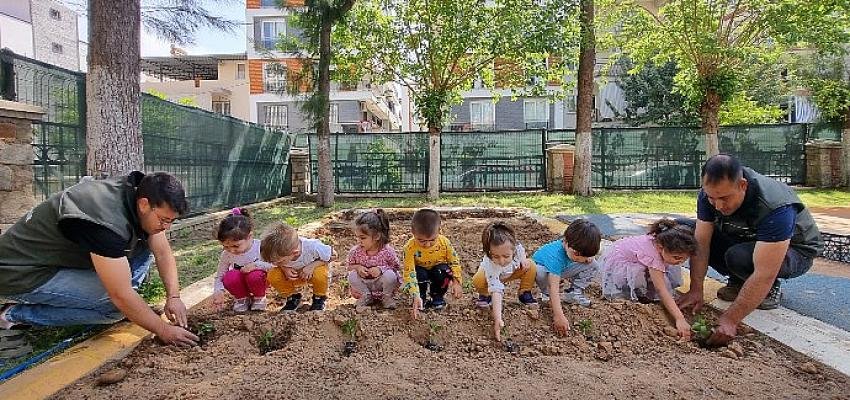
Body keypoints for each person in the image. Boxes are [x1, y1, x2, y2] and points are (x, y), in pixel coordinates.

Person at [0, 172, 198, 346]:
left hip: (55, 259)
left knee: (147, 243)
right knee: (114, 309)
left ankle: (124, 302)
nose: (166, 227)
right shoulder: (105, 224)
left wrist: (174, 297)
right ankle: (12, 315)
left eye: (171, 221)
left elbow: (162, 252)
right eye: (164, 220)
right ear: (144, 204)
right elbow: (120, 296)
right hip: (21, 272)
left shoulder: (139, 193)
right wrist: (163, 330)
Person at [677, 154, 823, 346]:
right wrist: (696, 289)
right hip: (747, 241)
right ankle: (740, 281)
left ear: (743, 185)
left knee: (739, 257)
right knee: (683, 232)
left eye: (724, 198)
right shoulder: (709, 195)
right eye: (712, 199)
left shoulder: (776, 206)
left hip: (794, 252)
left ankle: (768, 291)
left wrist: (730, 320)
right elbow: (701, 243)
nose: (718, 206)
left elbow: (764, 272)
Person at [600, 218, 696, 339]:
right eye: (677, 257)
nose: (680, 262)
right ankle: (629, 293)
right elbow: (661, 289)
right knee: (644, 276)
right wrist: (679, 318)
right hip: (620, 262)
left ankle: (645, 294)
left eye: (684, 259)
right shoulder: (654, 255)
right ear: (661, 247)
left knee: (660, 272)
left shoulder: (662, 243)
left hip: (635, 258)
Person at [533, 219, 601, 336]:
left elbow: (585, 257)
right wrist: (559, 315)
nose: (580, 258)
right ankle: (545, 295)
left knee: (593, 264)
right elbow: (552, 286)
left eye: (584, 255)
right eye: (577, 254)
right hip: (543, 271)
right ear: (565, 241)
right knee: (540, 272)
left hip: (560, 270)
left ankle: (574, 292)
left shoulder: (574, 250)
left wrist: (588, 257)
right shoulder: (556, 255)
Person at [472, 222, 537, 341]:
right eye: (496, 256)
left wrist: (523, 260)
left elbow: (521, 250)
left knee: (530, 265)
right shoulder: (490, 263)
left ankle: (525, 293)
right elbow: (496, 288)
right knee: (478, 280)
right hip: (489, 278)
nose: (501, 261)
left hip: (510, 272)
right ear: (489, 252)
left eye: (506, 256)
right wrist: (498, 318)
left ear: (513, 249)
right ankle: (485, 295)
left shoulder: (517, 248)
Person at [401, 209, 463, 318]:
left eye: (432, 240)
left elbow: (454, 262)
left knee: (443, 270)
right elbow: (409, 272)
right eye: (421, 240)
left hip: (437, 270)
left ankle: (437, 297)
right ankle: (421, 299)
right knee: (419, 273)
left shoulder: (444, 243)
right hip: (420, 272)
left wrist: (456, 282)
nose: (427, 244)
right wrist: (415, 295)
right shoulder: (410, 247)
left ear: (439, 230)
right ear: (413, 232)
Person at [262, 222, 336, 312]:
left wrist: (311, 266)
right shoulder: (279, 253)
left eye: (280, 261)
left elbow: (334, 255)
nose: (276, 263)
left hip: (313, 273)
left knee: (320, 274)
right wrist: (284, 267)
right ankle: (293, 298)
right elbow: (276, 263)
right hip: (295, 275)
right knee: (273, 275)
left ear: (295, 253)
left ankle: (319, 299)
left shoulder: (313, 247)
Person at [212, 208, 274, 313]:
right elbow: (220, 275)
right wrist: (218, 291)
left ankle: (259, 297)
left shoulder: (261, 247)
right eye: (226, 247)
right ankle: (242, 299)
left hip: (258, 281)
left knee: (255, 276)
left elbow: (274, 267)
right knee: (230, 277)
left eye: (236, 246)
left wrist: (256, 265)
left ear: (249, 236)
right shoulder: (227, 254)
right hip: (241, 283)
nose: (231, 250)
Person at [346, 209, 401, 311]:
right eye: (357, 237)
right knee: (352, 276)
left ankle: (386, 297)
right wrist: (358, 268)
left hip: (381, 283)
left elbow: (396, 267)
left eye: (362, 238)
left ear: (376, 236)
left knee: (390, 276)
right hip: (365, 284)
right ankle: (366, 296)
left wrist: (381, 269)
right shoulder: (355, 251)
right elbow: (349, 267)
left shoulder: (387, 251)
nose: (359, 241)